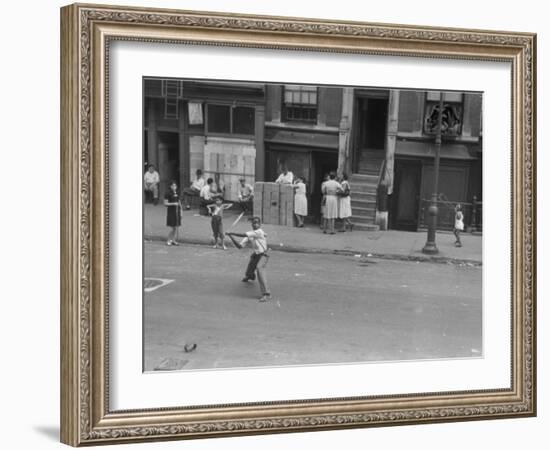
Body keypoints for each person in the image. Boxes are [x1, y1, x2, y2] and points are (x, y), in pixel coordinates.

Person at [227, 217, 271, 302]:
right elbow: (239, 247)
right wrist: (231, 236)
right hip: (256, 254)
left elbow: (244, 234)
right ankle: (250, 276)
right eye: (254, 223)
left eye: (257, 223)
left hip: (264, 254)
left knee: (259, 270)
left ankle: (266, 294)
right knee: (250, 267)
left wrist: (231, 232)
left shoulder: (259, 232)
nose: (255, 224)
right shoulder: (250, 235)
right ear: (251, 224)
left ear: (260, 224)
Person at [163, 180, 182, 246]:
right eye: (173, 185)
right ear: (170, 186)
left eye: (175, 185)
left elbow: (179, 202)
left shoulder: (177, 192)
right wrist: (173, 203)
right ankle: (168, 240)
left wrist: (181, 211)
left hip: (177, 211)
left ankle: (173, 240)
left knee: (176, 227)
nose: (174, 187)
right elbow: (165, 203)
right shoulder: (168, 193)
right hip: (171, 211)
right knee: (172, 227)